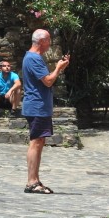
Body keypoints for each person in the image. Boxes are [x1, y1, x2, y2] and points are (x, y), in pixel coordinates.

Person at [21, 28, 70, 194]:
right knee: (36, 142)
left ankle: (35, 180)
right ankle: (31, 182)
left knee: (39, 141)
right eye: (48, 40)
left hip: (38, 106)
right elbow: (48, 81)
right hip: (37, 106)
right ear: (41, 41)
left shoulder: (32, 57)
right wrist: (58, 68)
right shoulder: (34, 58)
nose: (50, 43)